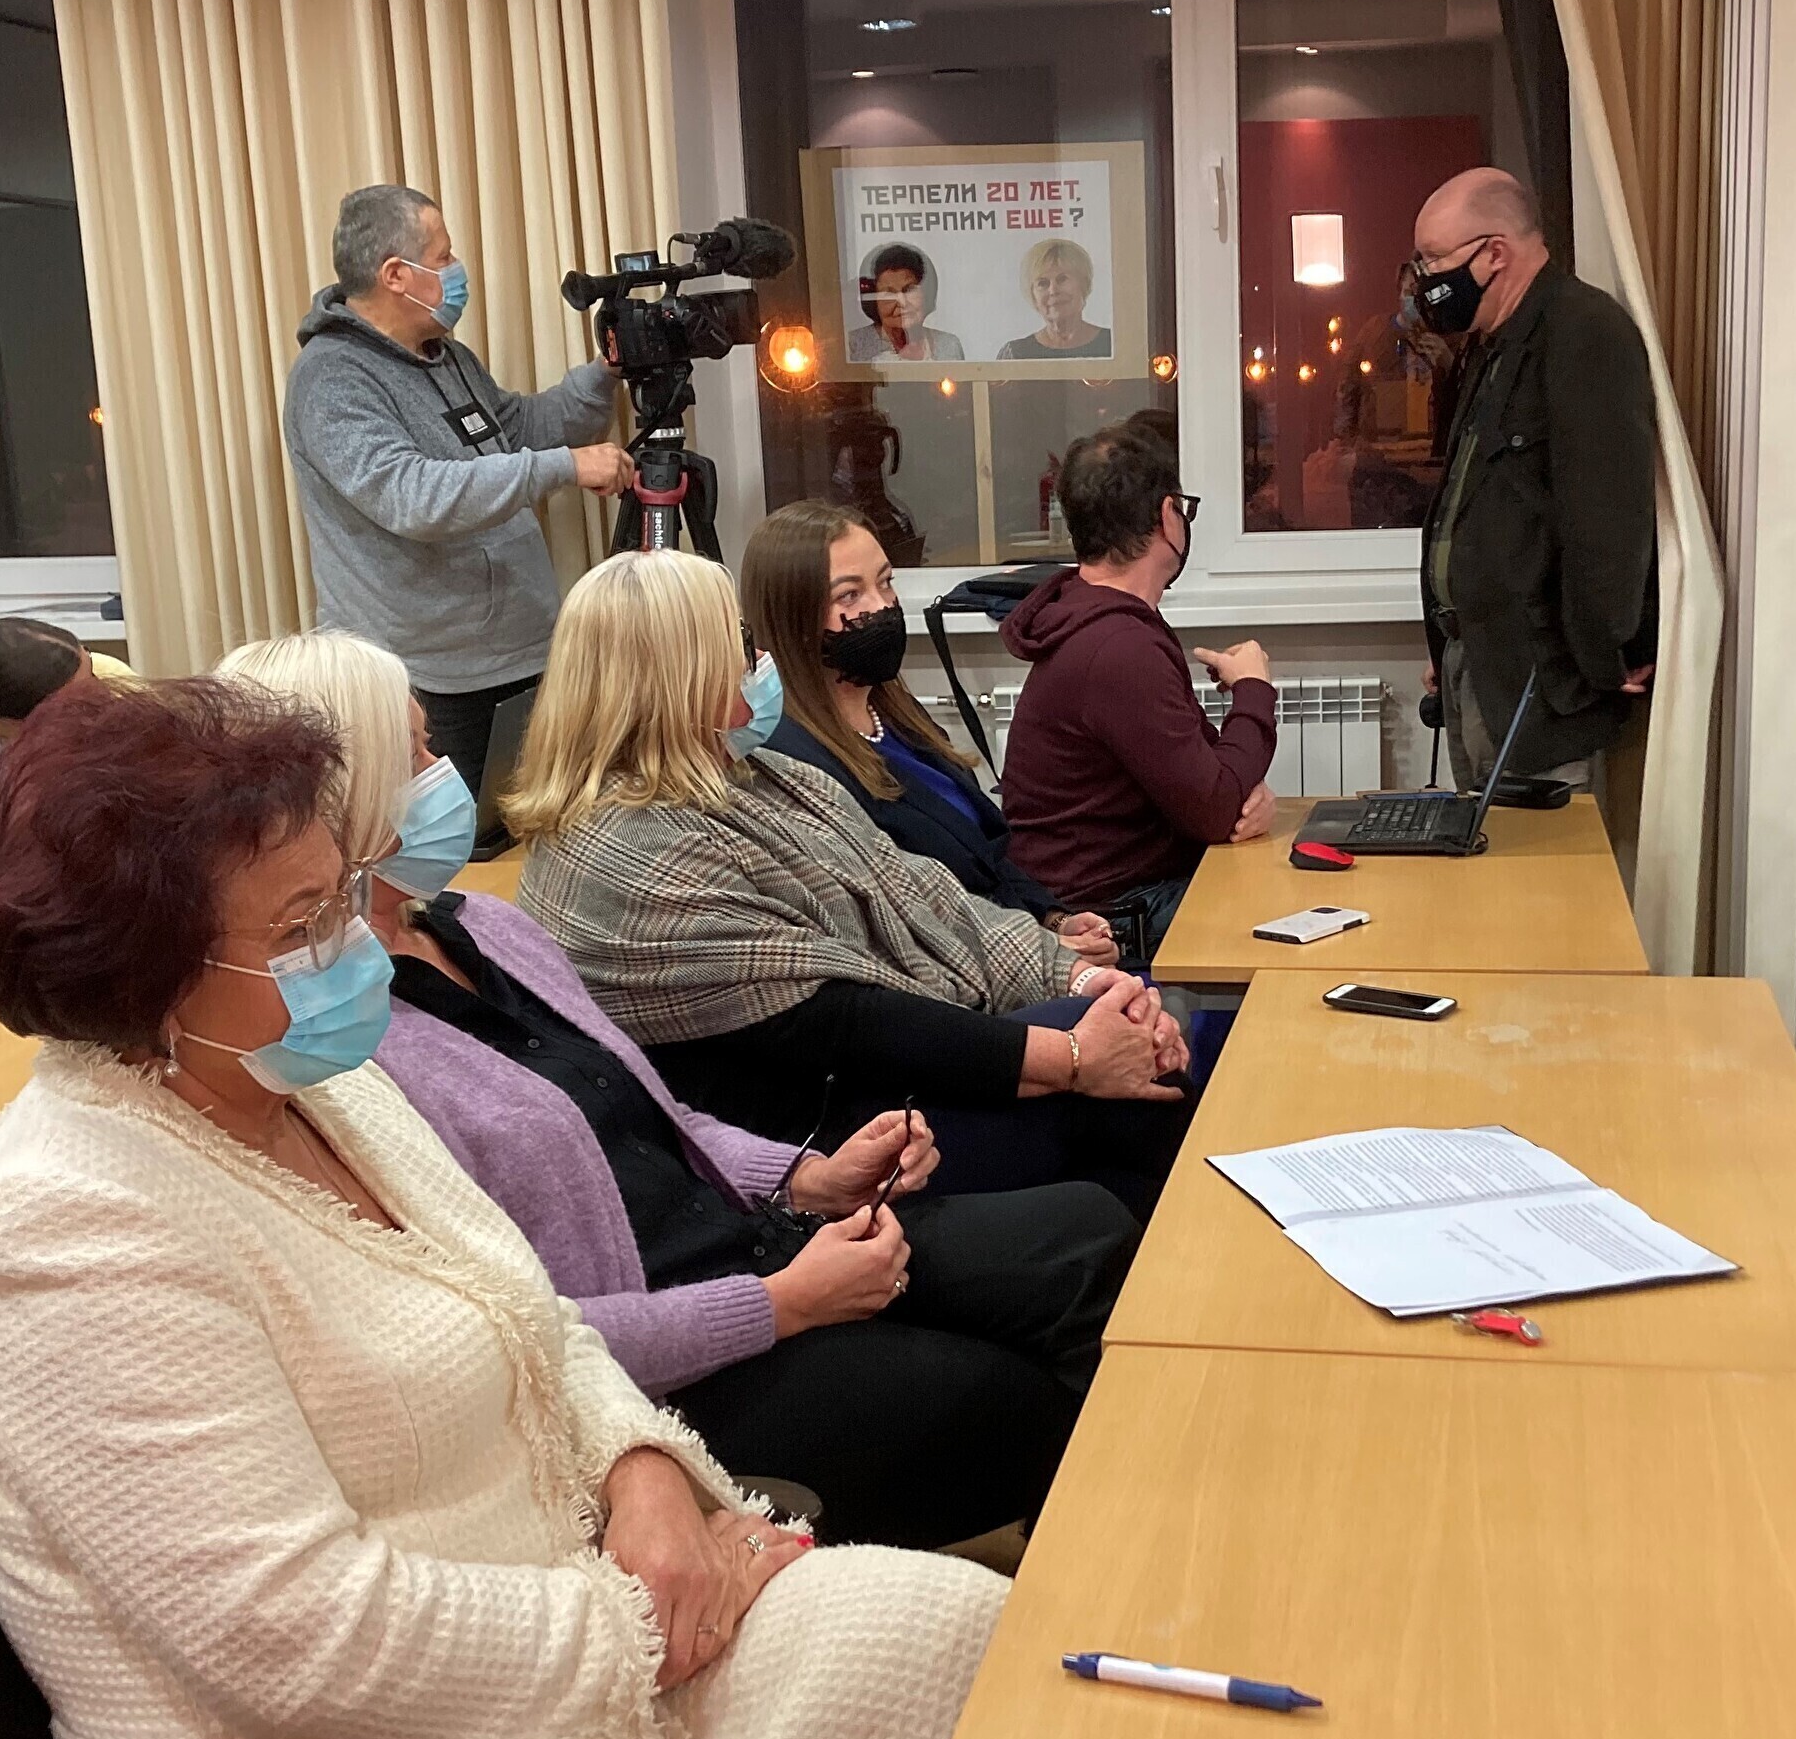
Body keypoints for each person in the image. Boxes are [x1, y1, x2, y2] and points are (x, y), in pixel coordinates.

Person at [0, 672, 1003, 1739]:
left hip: (557, 1670)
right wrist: (649, 1620)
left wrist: (648, 1478)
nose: (356, 945)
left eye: (343, 896)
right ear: (141, 969)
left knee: (961, 1641)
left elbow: (532, 1317)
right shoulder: (69, 1226)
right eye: (302, 924)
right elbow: (304, 1644)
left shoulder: (318, 1091)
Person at [219, 628, 1139, 1548]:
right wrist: (782, 1304)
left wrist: (810, 1178)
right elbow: (510, 1329)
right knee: (1015, 1397)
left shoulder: (484, 929)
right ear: (337, 799)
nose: (444, 774)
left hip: (752, 1247)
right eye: (416, 755)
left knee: (1083, 1234)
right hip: (671, 1366)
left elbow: (656, 1111)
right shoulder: (339, 1038)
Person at [511, 549, 1192, 1223]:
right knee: (1132, 1090)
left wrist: (1079, 978)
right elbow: (843, 1022)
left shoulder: (765, 777)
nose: (759, 662)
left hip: (872, 1080)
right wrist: (1073, 1056)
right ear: (678, 678)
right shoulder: (622, 852)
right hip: (812, 1146)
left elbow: (927, 895)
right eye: (740, 645)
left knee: (1134, 1038)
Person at [282, 181, 636, 795]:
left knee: (537, 823)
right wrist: (564, 467)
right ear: (396, 274)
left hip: (520, 655)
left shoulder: (447, 356)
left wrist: (603, 376)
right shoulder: (331, 379)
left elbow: (518, 431)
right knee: (464, 845)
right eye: (443, 256)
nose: (456, 269)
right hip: (430, 684)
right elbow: (410, 495)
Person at [741, 499, 1115, 965]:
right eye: (849, 596)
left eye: (885, 582)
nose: (882, 606)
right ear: (791, 618)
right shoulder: (791, 758)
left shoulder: (897, 714)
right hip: (959, 977)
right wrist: (1043, 953)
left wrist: (1054, 919)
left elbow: (987, 854)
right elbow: (898, 919)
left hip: (1020, 943)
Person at [1410, 166, 1658, 788]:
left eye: (1434, 260)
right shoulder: (1490, 345)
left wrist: (1605, 654)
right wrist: (1451, 637)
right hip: (1477, 666)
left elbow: (1608, 516)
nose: (1425, 279)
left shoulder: (1584, 332)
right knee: (1480, 848)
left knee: (1535, 850)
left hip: (1539, 688)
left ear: (1495, 253)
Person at [998, 429, 1278, 943]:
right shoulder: (1118, 647)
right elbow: (1217, 808)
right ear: (1169, 515)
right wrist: (1254, 689)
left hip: (1123, 889)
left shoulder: (1100, 620)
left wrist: (1241, 793)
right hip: (1114, 914)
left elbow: (1212, 783)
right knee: (1300, 910)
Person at [0, 616, 136, 854]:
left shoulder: (102, 711)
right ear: (27, 720)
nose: (103, 695)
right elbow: (1, 870)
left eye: (91, 668)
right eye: (80, 698)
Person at [844, 244, 966, 364]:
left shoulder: (949, 345)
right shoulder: (852, 346)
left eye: (909, 290)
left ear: (926, 294)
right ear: (874, 302)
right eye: (889, 293)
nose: (902, 302)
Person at [995, 238, 1111, 360]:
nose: (1053, 291)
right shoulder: (1015, 354)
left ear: (1083, 284)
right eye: (1043, 283)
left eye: (1062, 279)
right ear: (1033, 295)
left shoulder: (1114, 344)